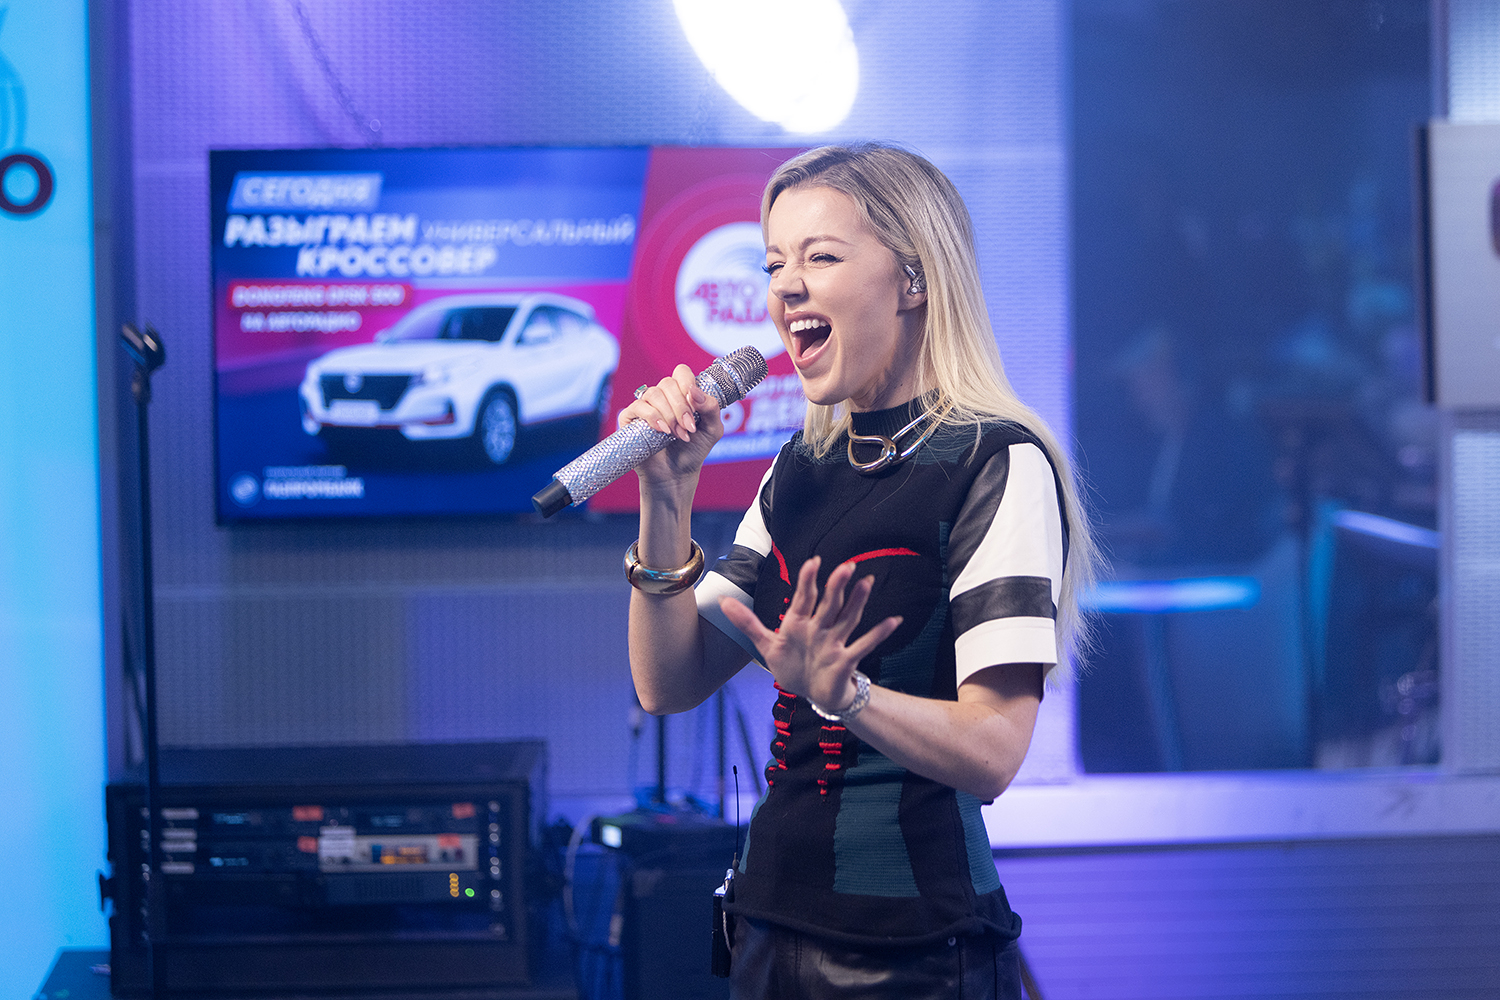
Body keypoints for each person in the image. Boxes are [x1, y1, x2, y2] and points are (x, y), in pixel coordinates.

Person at [620, 143, 1096, 999]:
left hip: (915, 954)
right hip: (765, 928)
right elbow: (667, 682)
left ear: (913, 279)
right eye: (774, 264)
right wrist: (667, 497)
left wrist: (848, 695)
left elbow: (994, 751)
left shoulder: (994, 461)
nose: (786, 288)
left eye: (820, 258)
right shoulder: (800, 467)